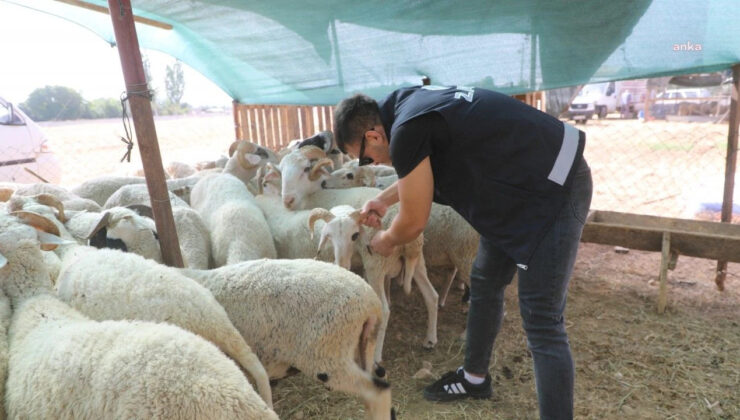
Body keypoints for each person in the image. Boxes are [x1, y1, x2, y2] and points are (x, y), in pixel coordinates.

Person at [333, 85, 592, 420]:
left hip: (555, 186)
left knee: (542, 320)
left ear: (373, 135)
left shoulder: (406, 130)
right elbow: (421, 168)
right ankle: (474, 379)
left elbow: (412, 223)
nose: (374, 162)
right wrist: (384, 199)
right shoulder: (408, 108)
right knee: (484, 279)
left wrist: (386, 240)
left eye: (366, 157)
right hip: (522, 186)